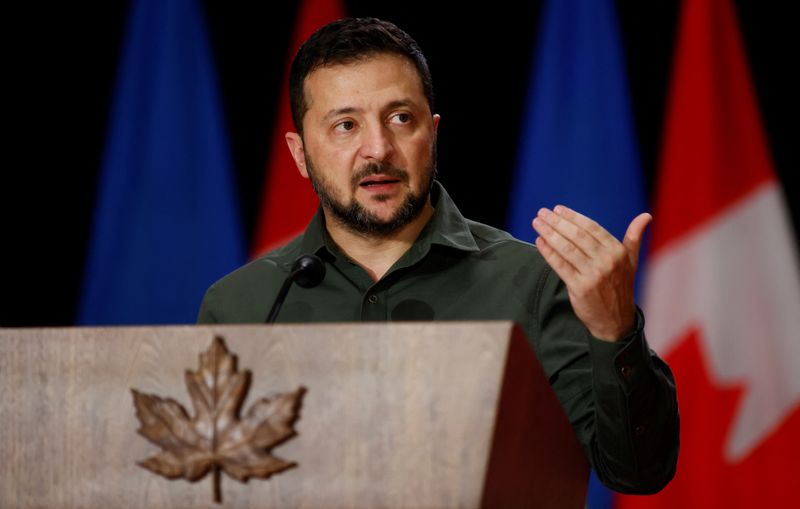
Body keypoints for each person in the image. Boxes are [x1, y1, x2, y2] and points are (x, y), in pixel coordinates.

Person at [198, 17, 678, 494]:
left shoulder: (533, 283)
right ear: (300, 154)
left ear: (434, 132)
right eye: (346, 125)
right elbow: (206, 485)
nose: (378, 148)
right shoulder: (243, 305)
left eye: (401, 118)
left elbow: (637, 473)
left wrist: (614, 331)